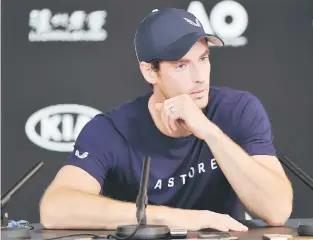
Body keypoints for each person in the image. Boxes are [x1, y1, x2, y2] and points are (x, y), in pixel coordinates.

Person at [39, 8, 293, 232]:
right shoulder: (111, 129)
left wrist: (209, 132)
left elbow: (277, 210)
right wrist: (180, 219)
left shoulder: (238, 110)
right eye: (181, 65)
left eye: (203, 59)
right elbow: (55, 209)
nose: (200, 77)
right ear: (150, 71)